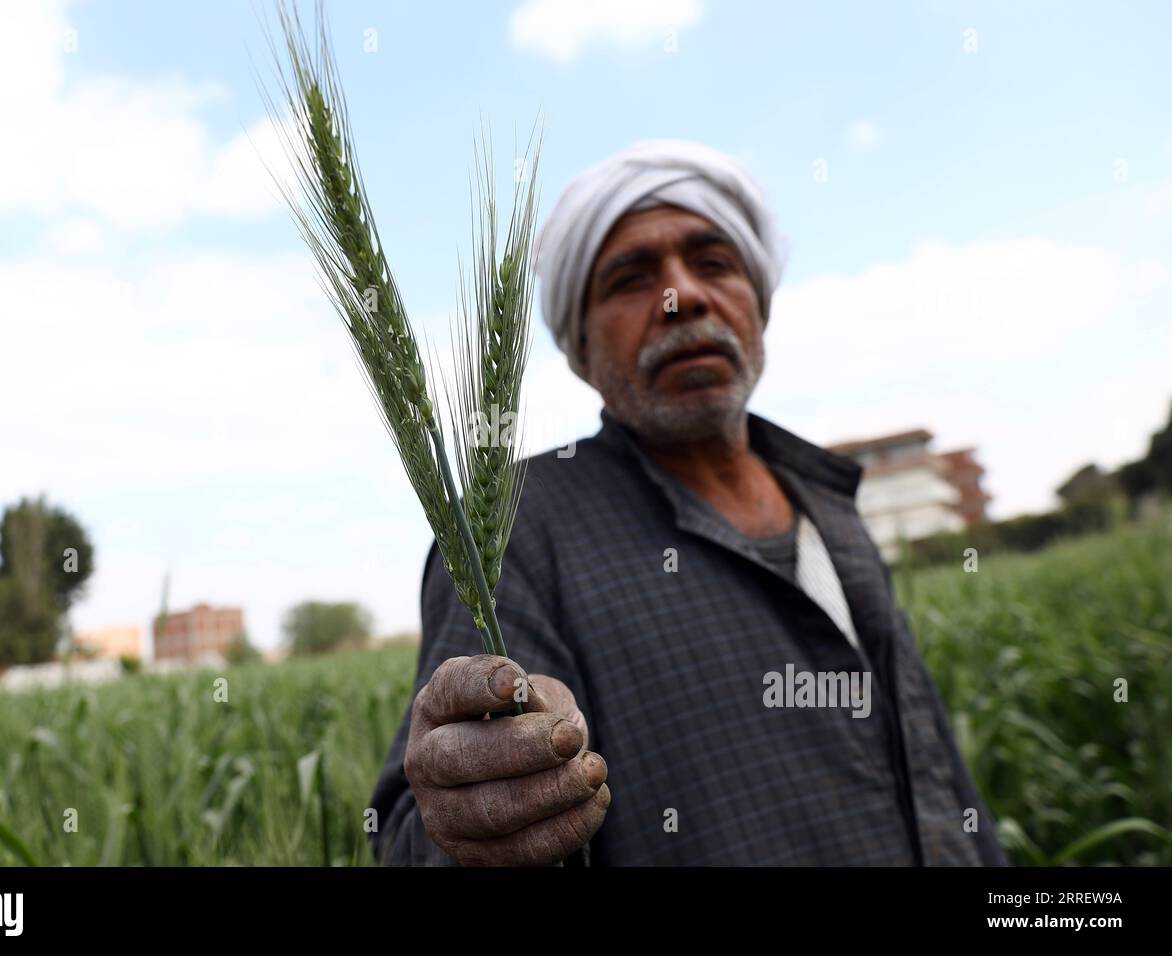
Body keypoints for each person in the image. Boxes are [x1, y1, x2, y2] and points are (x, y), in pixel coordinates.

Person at [368, 140, 1007, 867]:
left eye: (713, 263)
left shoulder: (834, 510)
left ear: (757, 303)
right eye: (631, 279)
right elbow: (412, 839)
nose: (684, 297)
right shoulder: (515, 527)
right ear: (578, 348)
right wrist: (467, 815)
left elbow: (935, 772)